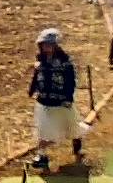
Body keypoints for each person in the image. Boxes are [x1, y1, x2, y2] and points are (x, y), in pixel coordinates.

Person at [29, 28, 89, 170]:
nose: (46, 47)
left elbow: (70, 81)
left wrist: (68, 97)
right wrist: (32, 90)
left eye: (49, 44)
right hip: (44, 101)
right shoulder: (40, 62)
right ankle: (41, 155)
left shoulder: (65, 63)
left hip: (62, 102)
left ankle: (77, 142)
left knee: (72, 126)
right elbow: (36, 77)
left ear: (55, 45)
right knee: (44, 130)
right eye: (44, 45)